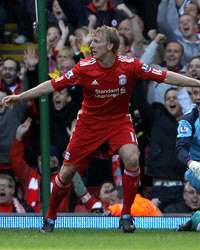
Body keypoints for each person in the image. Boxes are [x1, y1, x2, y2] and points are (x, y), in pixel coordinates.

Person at [3, 25, 200, 233]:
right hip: (89, 123)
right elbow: (53, 85)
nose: (91, 45)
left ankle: (126, 215)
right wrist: (20, 96)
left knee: (132, 156)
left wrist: (197, 83)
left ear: (110, 45)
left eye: (96, 41)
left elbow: (165, 75)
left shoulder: (130, 65)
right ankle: (50, 216)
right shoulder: (84, 67)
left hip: (119, 121)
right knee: (67, 172)